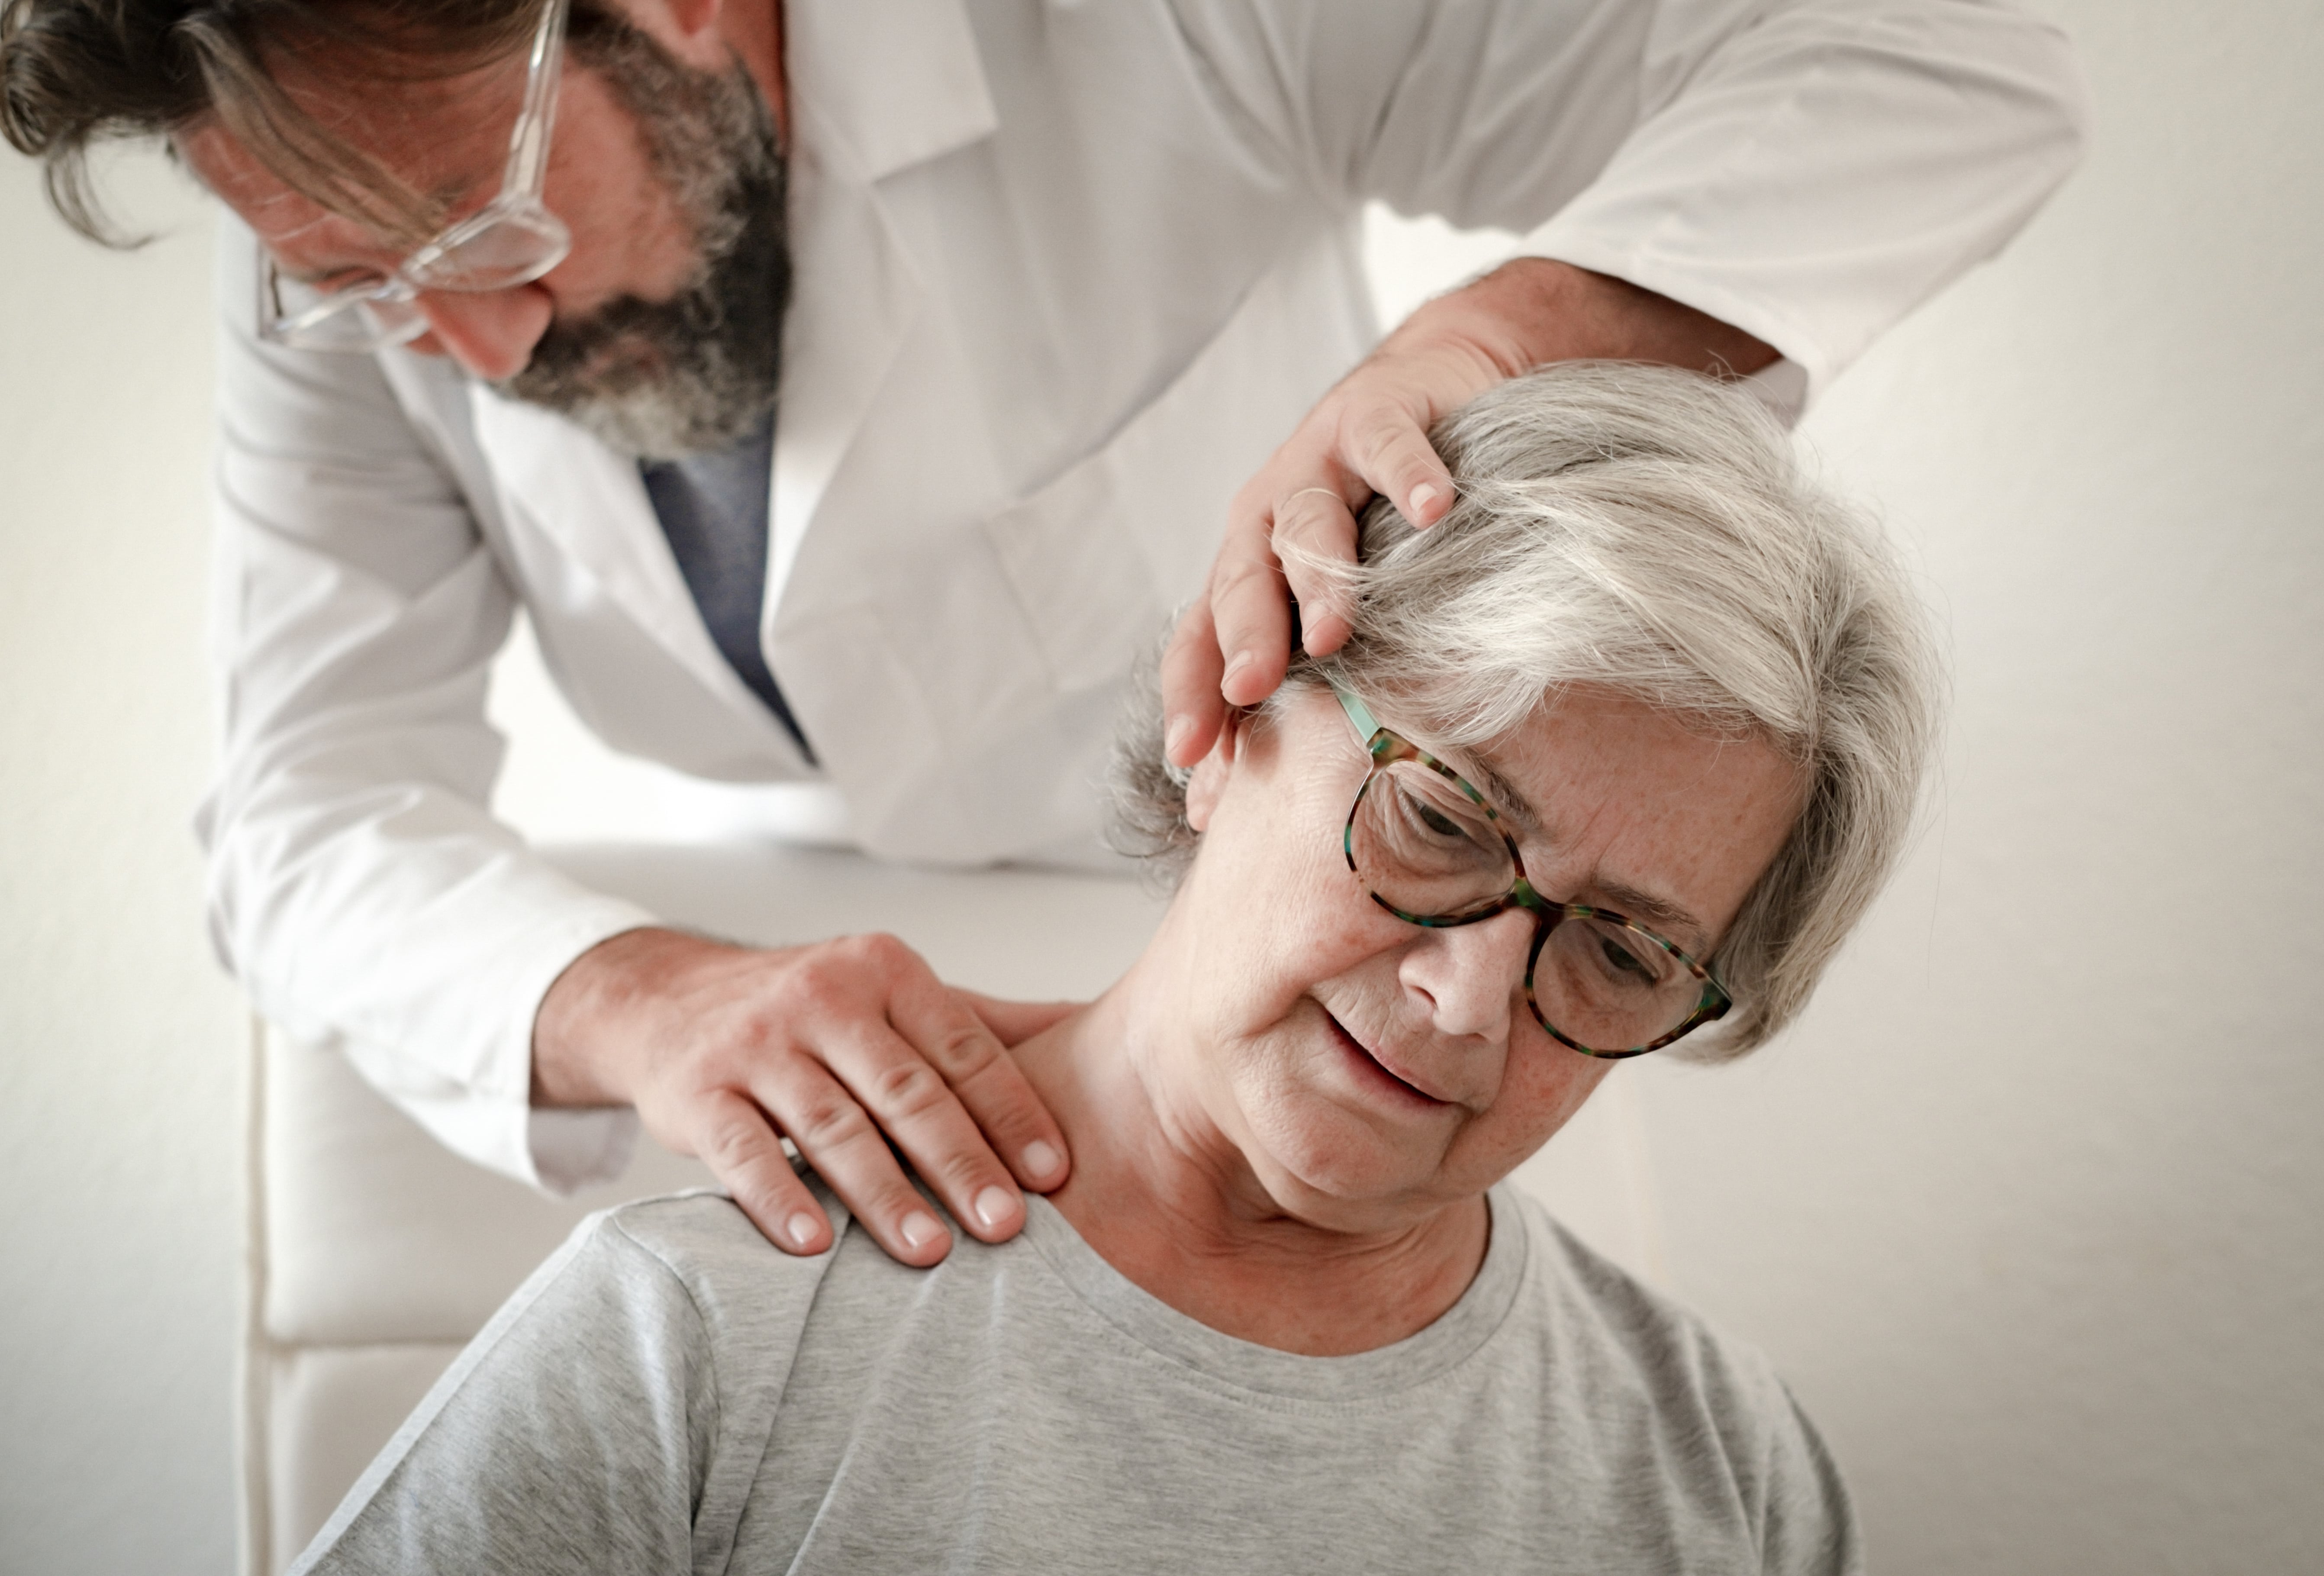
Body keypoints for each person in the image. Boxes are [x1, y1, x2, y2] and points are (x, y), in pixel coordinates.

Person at [0, 0, 2073, 1267]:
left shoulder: (1140, 16)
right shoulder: (349, 274)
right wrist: (640, 1002)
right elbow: (300, 813)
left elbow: (1942, 46)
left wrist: (1498, 336)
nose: (467, 349)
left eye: (488, 232)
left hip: (1278, 960)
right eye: (368, 284)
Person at [284, 362, 1940, 1573]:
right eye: (1440, 817)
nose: (1463, 1002)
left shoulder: (1720, 1469)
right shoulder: (698, 1345)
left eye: (1629, 948)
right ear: (1228, 718)